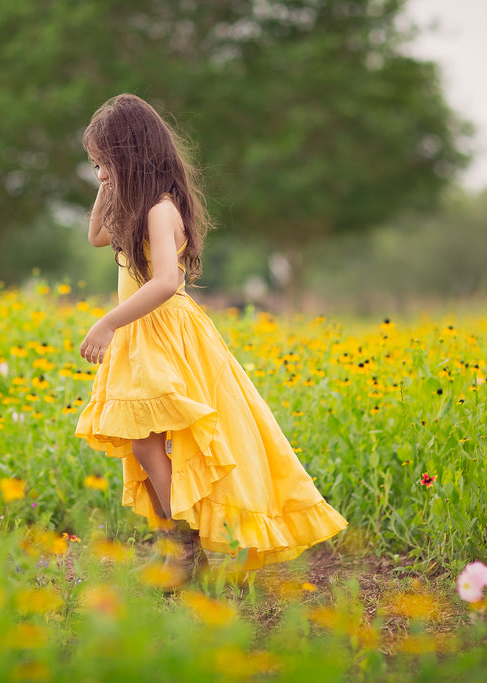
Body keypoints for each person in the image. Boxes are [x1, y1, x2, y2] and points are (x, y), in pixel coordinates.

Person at [75, 94, 347, 590]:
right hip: (142, 332)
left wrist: (109, 322)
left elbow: (163, 283)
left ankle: (185, 547)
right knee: (144, 441)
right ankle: (176, 546)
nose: (99, 173)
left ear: (131, 154)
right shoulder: (134, 204)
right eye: (95, 164)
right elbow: (95, 236)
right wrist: (105, 184)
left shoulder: (160, 210)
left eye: (106, 162)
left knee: (151, 440)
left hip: (162, 329)